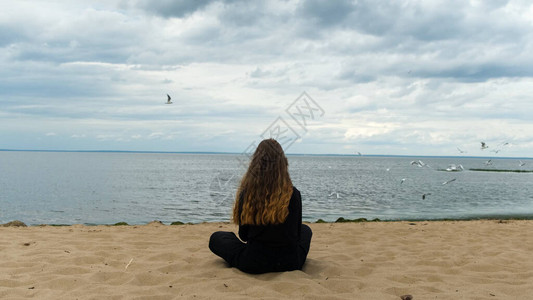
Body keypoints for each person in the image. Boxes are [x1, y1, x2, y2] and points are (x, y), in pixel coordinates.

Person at [209, 138, 312, 274]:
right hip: (290, 262)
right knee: (306, 230)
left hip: (255, 262)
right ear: (283, 163)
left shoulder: (247, 193)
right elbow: (297, 235)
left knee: (217, 238)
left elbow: (243, 236)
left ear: (255, 163)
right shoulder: (293, 193)